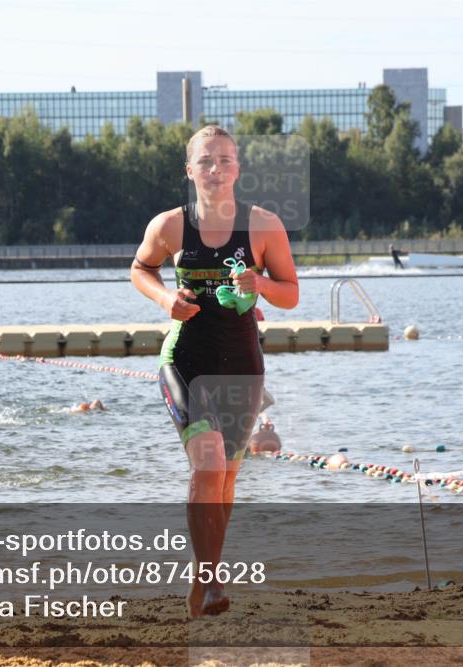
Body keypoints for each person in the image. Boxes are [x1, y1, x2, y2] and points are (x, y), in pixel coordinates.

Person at [131, 125, 299, 617]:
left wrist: (261, 284)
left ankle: (204, 579)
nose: (216, 169)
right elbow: (140, 268)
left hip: (243, 363)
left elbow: (291, 291)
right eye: (206, 161)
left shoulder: (264, 226)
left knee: (224, 478)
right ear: (190, 170)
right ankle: (209, 583)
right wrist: (166, 298)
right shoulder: (170, 226)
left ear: (238, 168)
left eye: (225, 160)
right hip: (186, 359)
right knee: (207, 463)